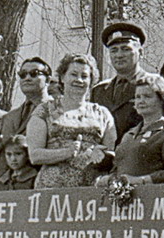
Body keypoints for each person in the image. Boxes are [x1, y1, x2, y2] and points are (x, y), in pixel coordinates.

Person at [27, 53, 116, 187]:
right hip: (52, 188)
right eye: (74, 74)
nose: (79, 80)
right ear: (63, 77)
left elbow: (110, 154)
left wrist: (102, 154)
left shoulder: (102, 114)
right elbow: (35, 155)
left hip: (91, 188)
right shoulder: (45, 110)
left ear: (91, 81)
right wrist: (67, 153)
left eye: (84, 76)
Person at [97, 75, 164, 185]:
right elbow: (119, 170)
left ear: (163, 99)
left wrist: (142, 180)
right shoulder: (129, 135)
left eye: (147, 96)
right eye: (138, 97)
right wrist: (109, 179)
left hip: (152, 194)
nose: (141, 101)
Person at [0, 57, 53, 183]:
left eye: (34, 73)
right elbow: (1, 160)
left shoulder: (56, 111)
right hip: (4, 186)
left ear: (48, 80)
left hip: (38, 184)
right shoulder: (9, 117)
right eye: (22, 74)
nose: (27, 78)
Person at [91, 23, 151, 144]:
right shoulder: (99, 91)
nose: (119, 55)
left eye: (125, 49)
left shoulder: (153, 85)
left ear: (141, 52)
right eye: (114, 50)